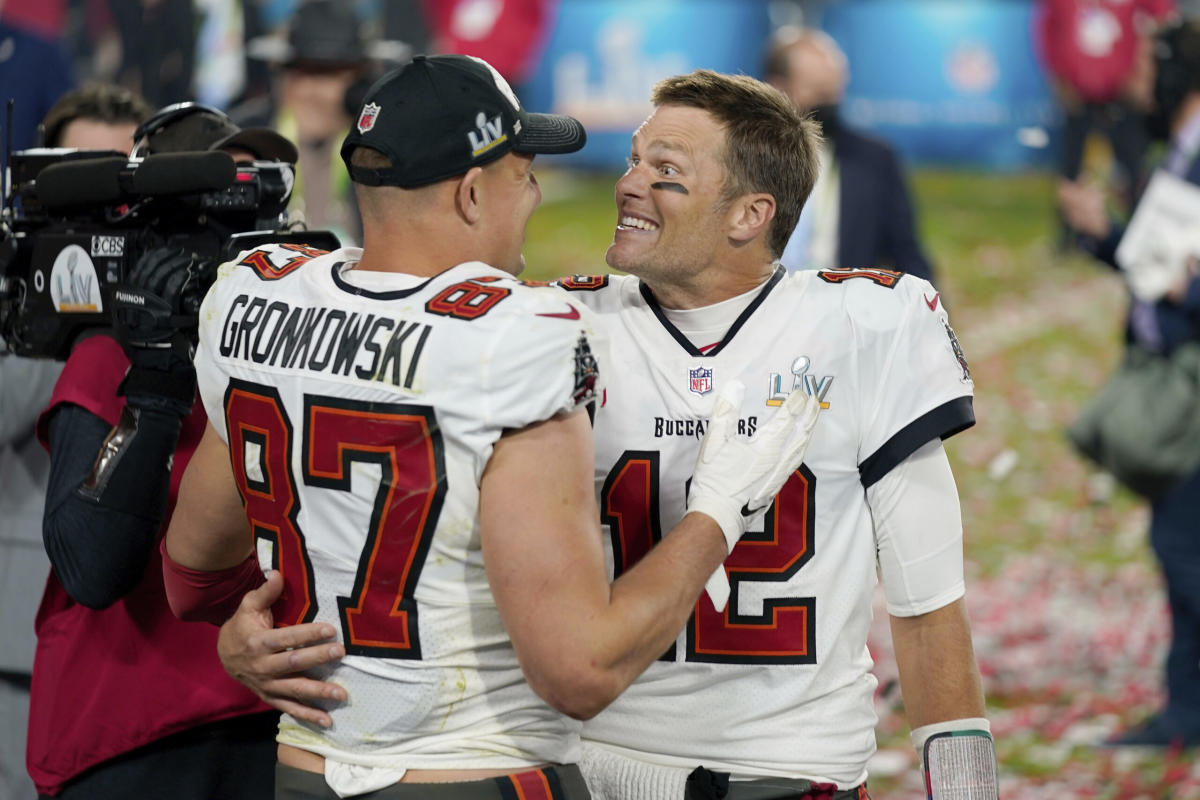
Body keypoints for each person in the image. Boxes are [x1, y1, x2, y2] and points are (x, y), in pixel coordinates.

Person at [213, 67, 997, 798]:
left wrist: (966, 791)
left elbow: (929, 610)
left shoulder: (864, 327)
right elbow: (362, 510)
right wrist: (244, 635)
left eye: (666, 172)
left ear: (752, 214)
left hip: (792, 768)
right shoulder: (544, 327)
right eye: (632, 162)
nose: (628, 186)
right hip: (591, 764)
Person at [27, 103, 298, 799]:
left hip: (268, 716)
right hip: (131, 728)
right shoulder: (105, 355)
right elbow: (92, 567)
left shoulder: (288, 346)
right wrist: (154, 383)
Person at [0, 82, 152, 800]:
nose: (107, 211)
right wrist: (74, 325)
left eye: (122, 179)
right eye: (85, 179)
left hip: (146, 651)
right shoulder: (13, 284)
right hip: (15, 644)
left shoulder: (162, 298)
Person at [1058, 19, 1200, 748]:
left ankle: (1187, 712)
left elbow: (1183, 281)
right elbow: (1161, 264)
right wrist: (1102, 233)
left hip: (1190, 381)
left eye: (1147, 65)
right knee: (1178, 546)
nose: (1134, 80)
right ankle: (1184, 707)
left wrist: (1188, 292)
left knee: (1185, 550)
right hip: (1168, 372)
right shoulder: (1178, 149)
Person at [763, 26, 936, 284]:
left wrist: (930, 315)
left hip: (843, 310)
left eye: (835, 92)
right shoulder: (745, 156)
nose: (829, 104)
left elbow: (907, 254)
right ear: (777, 88)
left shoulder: (875, 159)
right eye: (818, 92)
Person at [1035, 0, 1176, 217]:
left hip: (1123, 94)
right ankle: (1068, 235)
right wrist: (1057, 76)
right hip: (1077, 93)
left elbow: (1164, 19)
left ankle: (1139, 231)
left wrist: (1143, 72)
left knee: (1134, 168)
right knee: (1071, 168)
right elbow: (1046, 28)